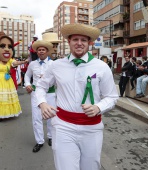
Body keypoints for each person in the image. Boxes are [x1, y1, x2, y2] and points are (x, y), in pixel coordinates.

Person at [35, 23, 119, 170]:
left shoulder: (101, 67)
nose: (79, 43)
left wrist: (98, 107)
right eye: (75, 39)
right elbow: (41, 86)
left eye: (83, 40)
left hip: (92, 128)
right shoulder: (56, 65)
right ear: (69, 42)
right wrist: (42, 103)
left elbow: (112, 97)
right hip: (63, 127)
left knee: (91, 167)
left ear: (89, 43)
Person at [24, 40, 56, 152]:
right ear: (37, 52)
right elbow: (27, 76)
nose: (41, 51)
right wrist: (28, 85)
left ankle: (51, 137)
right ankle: (39, 141)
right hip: (36, 93)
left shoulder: (53, 64)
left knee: (51, 116)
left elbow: (58, 80)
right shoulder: (32, 64)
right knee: (37, 118)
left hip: (50, 93)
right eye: (39, 50)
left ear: (47, 51)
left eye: (43, 49)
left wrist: (48, 80)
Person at [0, 35, 27, 119]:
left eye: (9, 47)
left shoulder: (9, 61)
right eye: (2, 46)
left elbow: (15, 63)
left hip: (7, 81)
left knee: (6, 98)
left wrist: (23, 61)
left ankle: (6, 113)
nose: (7, 49)